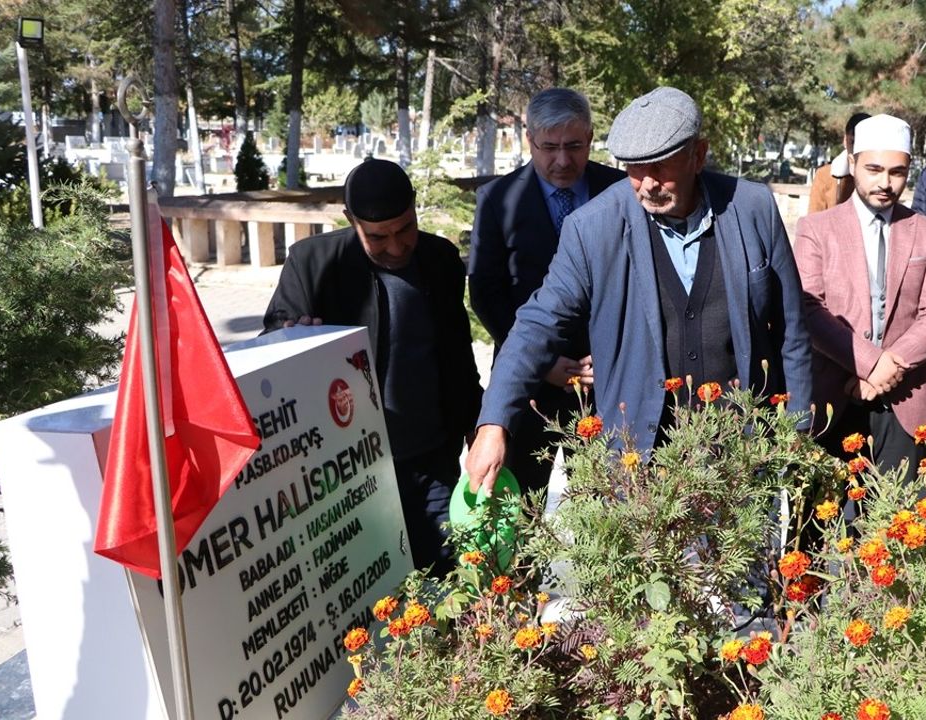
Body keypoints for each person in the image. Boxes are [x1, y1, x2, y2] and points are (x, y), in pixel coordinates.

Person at [465, 86, 812, 495]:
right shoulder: (594, 226)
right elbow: (538, 322)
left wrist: (797, 430)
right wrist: (494, 422)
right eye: (633, 168)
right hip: (640, 454)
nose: (647, 184)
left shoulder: (753, 208)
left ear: (697, 156)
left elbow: (791, 329)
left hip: (740, 448)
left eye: (660, 167)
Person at [262, 158, 482, 576]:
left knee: (449, 572)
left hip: (432, 458)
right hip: (352, 473)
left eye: (406, 229)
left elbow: (458, 355)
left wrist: (477, 424)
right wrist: (293, 336)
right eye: (378, 237)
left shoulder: (440, 258)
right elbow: (271, 348)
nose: (397, 247)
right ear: (351, 220)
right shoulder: (312, 264)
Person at [468, 88, 624, 495]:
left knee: (606, 505)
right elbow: (485, 291)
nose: (562, 160)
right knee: (519, 508)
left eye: (574, 146)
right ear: (529, 140)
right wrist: (543, 361)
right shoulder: (498, 199)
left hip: (603, 383)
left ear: (591, 138)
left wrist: (608, 353)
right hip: (528, 387)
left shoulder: (620, 191)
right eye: (549, 147)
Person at [794, 114, 926, 481]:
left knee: (900, 525)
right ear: (852, 163)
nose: (885, 183)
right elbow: (808, 308)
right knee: (826, 524)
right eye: (874, 169)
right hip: (834, 396)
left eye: (897, 172)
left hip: (906, 400)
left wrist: (888, 368)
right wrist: (868, 363)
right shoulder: (816, 230)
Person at [807, 112, 871, 213]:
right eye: (853, 141)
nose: (858, 148)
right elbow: (814, 215)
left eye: (865, 143)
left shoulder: (879, 177)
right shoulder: (825, 174)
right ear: (845, 140)